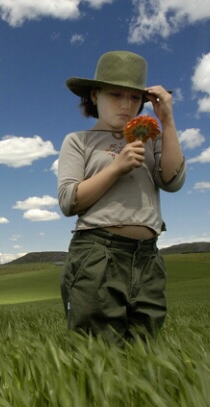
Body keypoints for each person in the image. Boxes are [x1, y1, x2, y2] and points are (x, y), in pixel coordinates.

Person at [57, 50, 186, 344]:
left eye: (134, 98)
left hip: (148, 257)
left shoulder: (150, 137)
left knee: (144, 350)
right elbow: (68, 200)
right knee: (97, 352)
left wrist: (167, 122)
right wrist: (116, 168)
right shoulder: (78, 141)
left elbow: (173, 180)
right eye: (116, 95)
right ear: (94, 95)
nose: (127, 105)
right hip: (98, 254)